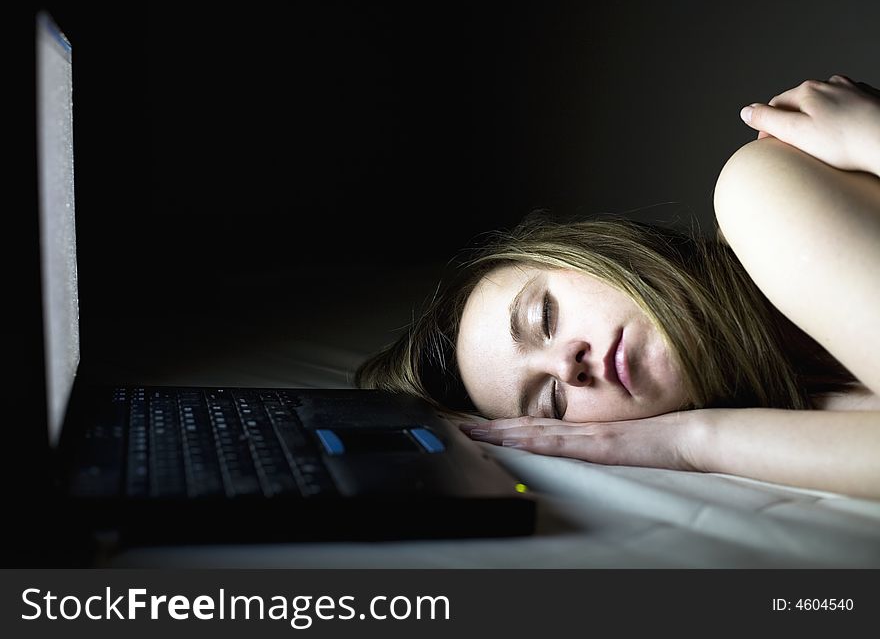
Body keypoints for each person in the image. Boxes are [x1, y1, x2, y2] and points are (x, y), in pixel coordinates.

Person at [355, 74, 880, 499]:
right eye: (551, 402)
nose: (568, 366)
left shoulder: (759, 196)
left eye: (544, 319)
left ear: (600, 254)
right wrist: (691, 440)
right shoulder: (804, 401)